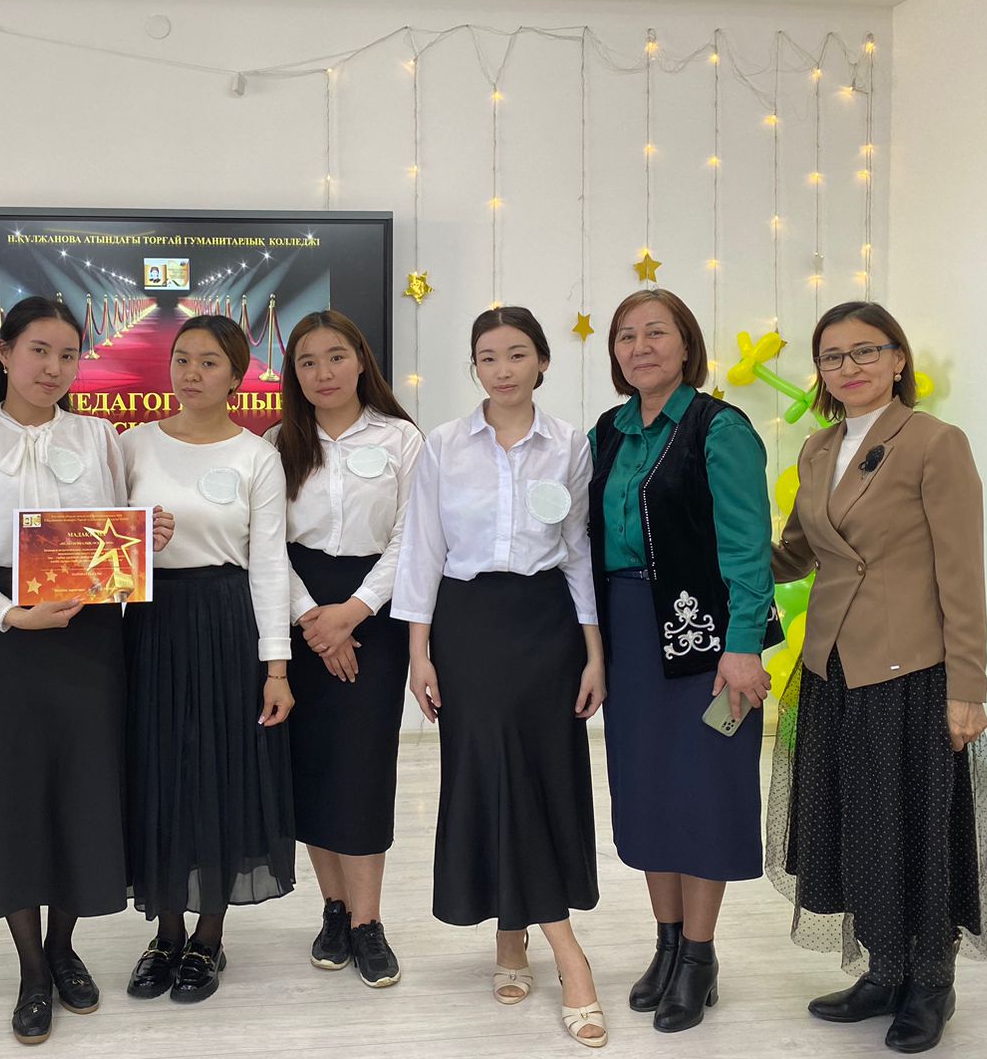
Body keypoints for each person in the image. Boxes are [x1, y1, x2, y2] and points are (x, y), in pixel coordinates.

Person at [0, 296, 173, 1046]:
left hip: (92, 640)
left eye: (68, 355)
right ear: (5, 353)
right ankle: (32, 970)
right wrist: (8, 614)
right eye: (39, 350)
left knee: (83, 791)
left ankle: (65, 948)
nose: (54, 368)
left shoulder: (101, 436)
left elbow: (120, 538)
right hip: (11, 641)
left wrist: (147, 536)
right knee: (15, 800)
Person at [767, 301, 987, 1055]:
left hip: (910, 670)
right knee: (856, 825)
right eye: (832, 356)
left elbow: (962, 574)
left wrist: (969, 686)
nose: (849, 367)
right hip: (831, 665)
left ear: (899, 360)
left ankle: (931, 982)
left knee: (915, 829)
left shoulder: (934, 442)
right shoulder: (817, 449)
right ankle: (883, 968)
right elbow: (796, 554)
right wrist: (720, 543)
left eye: (866, 350)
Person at [392, 306, 609, 1050]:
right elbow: (422, 549)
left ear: (543, 361)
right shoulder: (444, 445)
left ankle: (513, 935)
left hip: (547, 626)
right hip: (469, 627)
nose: (503, 369)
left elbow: (577, 549)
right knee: (493, 774)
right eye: (488, 357)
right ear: (475, 367)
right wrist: (419, 652)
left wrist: (594, 652)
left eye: (518, 354)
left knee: (542, 775)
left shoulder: (570, 444)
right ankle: (568, 955)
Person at [586, 288, 781, 1033]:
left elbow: (747, 547)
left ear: (686, 344)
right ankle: (666, 945)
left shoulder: (719, 427)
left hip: (705, 642)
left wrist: (742, 645)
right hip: (629, 634)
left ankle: (699, 956)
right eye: (625, 336)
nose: (639, 348)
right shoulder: (608, 432)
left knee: (704, 793)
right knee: (646, 794)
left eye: (655, 333)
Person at [119, 314, 296, 1005]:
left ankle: (209, 937)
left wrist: (276, 668)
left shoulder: (257, 456)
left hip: (227, 623)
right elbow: (100, 548)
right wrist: (139, 543)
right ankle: (165, 934)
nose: (191, 373)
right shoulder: (132, 446)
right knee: (158, 771)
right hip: (151, 623)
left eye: (209, 362)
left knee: (218, 773)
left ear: (237, 376)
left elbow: (269, 563)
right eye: (182, 359)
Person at [266, 310, 422, 989]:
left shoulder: (401, 438)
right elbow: (265, 543)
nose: (322, 372)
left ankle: (368, 921)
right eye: (307, 361)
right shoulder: (277, 442)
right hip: (297, 609)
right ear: (293, 374)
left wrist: (353, 612)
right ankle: (333, 909)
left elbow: (414, 536)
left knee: (362, 769)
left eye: (335, 357)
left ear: (361, 361)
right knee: (311, 768)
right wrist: (312, 620)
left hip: (373, 614)